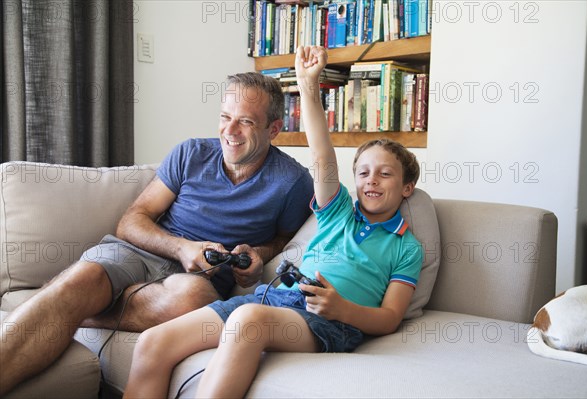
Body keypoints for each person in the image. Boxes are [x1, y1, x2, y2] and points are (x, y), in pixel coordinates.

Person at [122, 45, 424, 398]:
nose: (371, 180)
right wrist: (308, 87)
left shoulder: (407, 247)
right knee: (154, 342)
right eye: (363, 172)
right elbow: (321, 154)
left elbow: (389, 318)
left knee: (248, 321)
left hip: (329, 322)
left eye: (385, 174)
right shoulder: (338, 210)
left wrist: (343, 308)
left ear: (407, 187)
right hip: (274, 300)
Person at [0, 72, 314, 396]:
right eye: (224, 117)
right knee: (81, 280)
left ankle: (74, 309)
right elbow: (132, 220)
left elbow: (282, 241)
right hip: (140, 254)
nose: (229, 131)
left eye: (245, 122)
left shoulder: (292, 182)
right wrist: (181, 248)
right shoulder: (190, 154)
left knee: (193, 300)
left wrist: (258, 256)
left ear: (273, 128)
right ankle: (71, 301)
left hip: (201, 278)